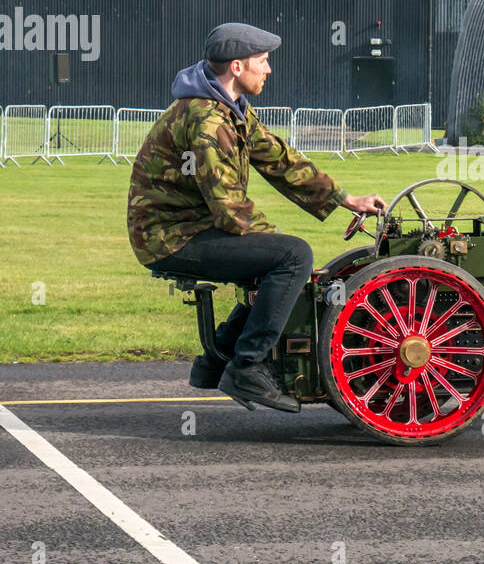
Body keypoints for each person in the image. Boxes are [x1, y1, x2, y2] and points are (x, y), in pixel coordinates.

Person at [127, 22, 387, 413]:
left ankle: (218, 357)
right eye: (262, 62)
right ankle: (248, 366)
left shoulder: (227, 108)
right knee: (293, 256)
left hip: (183, 230)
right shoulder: (209, 123)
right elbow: (229, 208)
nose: (268, 70)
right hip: (171, 239)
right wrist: (277, 244)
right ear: (236, 67)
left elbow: (279, 157)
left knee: (280, 257)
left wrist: (345, 198)